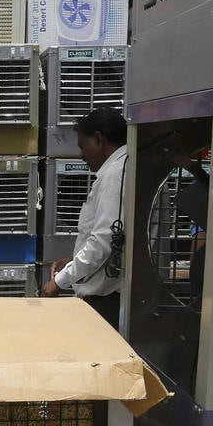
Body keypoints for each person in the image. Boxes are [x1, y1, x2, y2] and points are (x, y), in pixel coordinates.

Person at [41, 107, 128, 327]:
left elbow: (103, 242)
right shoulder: (123, 168)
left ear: (99, 140)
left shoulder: (114, 176)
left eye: (82, 146)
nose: (81, 155)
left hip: (105, 300)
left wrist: (59, 282)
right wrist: (74, 257)